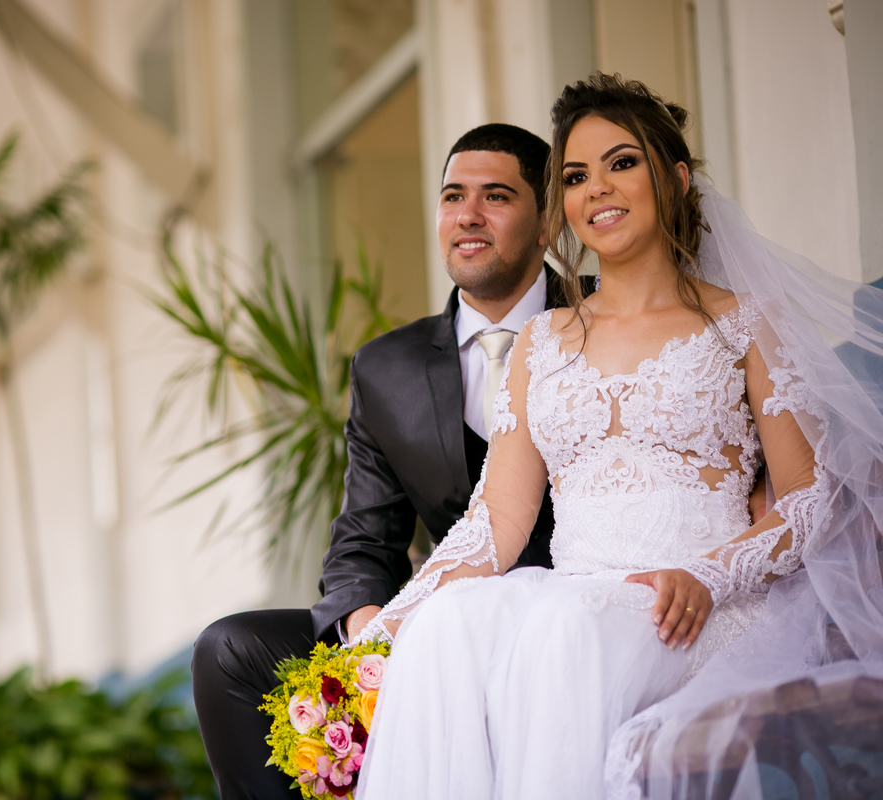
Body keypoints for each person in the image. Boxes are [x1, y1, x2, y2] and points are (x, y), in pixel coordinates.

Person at [355, 73, 883, 800]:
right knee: (449, 626)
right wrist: (387, 626)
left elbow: (809, 496)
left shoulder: (745, 323)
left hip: (692, 609)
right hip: (573, 594)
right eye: (576, 176)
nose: (597, 188)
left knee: (567, 633)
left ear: (676, 179)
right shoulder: (540, 342)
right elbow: (495, 522)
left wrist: (710, 575)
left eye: (622, 162)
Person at [191, 123, 594, 800]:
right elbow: (365, 537)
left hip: (572, 611)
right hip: (439, 619)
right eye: (452, 197)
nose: (467, 215)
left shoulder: (605, 319)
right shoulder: (388, 368)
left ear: (548, 219)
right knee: (229, 650)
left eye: (496, 196)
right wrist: (369, 632)